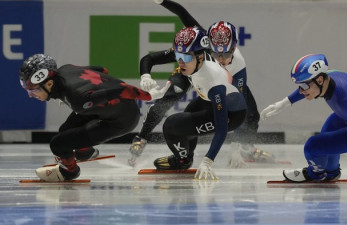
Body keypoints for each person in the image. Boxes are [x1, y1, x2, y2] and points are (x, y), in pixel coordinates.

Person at [129, 0, 273, 168]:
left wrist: (234, 147)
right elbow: (183, 14)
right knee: (170, 97)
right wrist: (162, 1)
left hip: (219, 83)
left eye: (225, 54)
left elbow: (240, 107)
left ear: (234, 49)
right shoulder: (199, 42)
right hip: (194, 70)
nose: (220, 59)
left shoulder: (238, 66)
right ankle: (143, 137)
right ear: (207, 45)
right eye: (214, 53)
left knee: (251, 114)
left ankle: (245, 147)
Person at [19, 54, 170, 181]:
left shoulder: (78, 98)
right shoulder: (64, 69)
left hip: (122, 120)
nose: (31, 95)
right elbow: (101, 70)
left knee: (58, 144)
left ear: (50, 83)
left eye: (33, 90)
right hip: (107, 108)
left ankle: (69, 171)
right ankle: (86, 152)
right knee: (65, 130)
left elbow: (120, 90)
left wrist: (149, 95)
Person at [260, 54, 347, 189]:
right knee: (328, 129)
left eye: (304, 86)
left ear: (319, 79)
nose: (301, 91)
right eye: (299, 86)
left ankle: (314, 174)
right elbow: (307, 85)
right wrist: (283, 104)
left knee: (312, 147)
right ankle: (331, 173)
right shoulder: (328, 75)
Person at [153, 26, 247, 180]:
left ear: (201, 57)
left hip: (232, 114)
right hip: (210, 100)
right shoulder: (198, 58)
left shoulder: (214, 83)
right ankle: (187, 156)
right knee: (187, 117)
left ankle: (182, 161)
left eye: (187, 58)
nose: (182, 62)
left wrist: (207, 161)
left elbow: (222, 128)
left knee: (171, 126)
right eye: (178, 56)